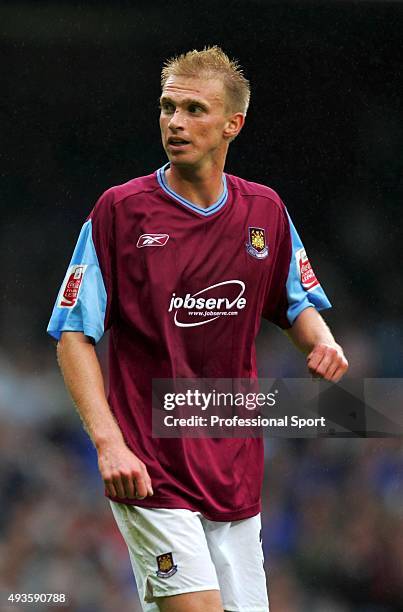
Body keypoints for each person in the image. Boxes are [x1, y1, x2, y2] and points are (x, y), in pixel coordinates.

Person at [47, 46, 348, 612]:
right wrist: (109, 444)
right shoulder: (120, 212)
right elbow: (73, 334)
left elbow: (297, 303)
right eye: (167, 107)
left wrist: (323, 341)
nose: (175, 122)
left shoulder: (265, 212)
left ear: (233, 124)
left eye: (193, 109)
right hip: (150, 466)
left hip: (234, 466)